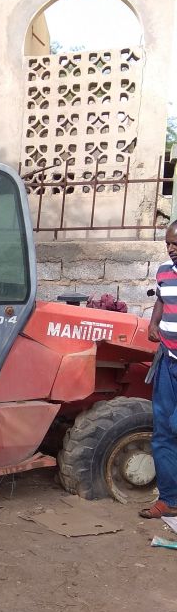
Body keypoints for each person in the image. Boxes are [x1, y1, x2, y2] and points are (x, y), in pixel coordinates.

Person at [141, 220, 177, 518]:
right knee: (163, 431)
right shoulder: (165, 271)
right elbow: (162, 299)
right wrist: (154, 323)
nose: (172, 248)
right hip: (167, 361)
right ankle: (169, 500)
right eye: (168, 244)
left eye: (176, 243)